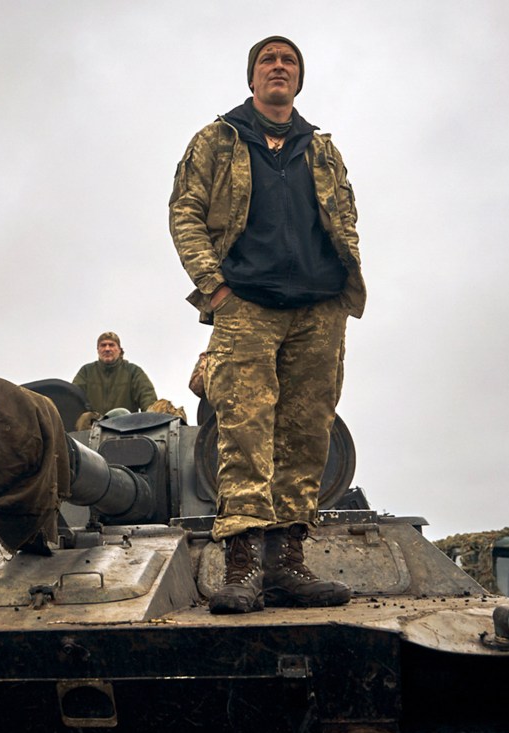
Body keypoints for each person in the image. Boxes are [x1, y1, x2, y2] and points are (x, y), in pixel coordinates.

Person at [169, 36, 367, 614]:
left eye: (288, 62)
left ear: (298, 81)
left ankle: (288, 566)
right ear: (253, 78)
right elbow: (185, 212)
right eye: (267, 61)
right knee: (245, 432)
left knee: (307, 435)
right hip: (246, 306)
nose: (278, 68)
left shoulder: (322, 150)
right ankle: (243, 568)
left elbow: (345, 215)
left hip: (319, 307)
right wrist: (217, 289)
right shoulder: (218, 139)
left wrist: (342, 284)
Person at [71, 331, 158, 415]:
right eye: (103, 345)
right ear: (98, 350)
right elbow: (73, 399)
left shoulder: (133, 372)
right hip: (92, 427)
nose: (107, 349)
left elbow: (148, 398)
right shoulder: (86, 372)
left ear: (119, 350)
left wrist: (151, 418)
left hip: (126, 427)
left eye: (111, 345)